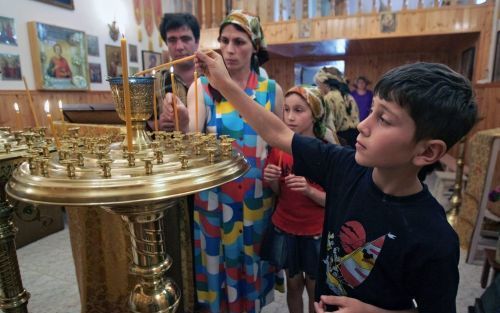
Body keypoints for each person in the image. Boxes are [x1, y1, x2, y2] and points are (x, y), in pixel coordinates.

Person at [194, 51, 478, 313]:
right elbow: (277, 133)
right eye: (372, 112)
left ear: (427, 151)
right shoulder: (345, 166)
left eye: (384, 119)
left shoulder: (435, 238)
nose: (363, 126)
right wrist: (225, 83)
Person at [161, 10, 284, 313]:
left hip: (258, 199)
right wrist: (184, 119)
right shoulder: (202, 88)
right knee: (220, 275)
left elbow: (282, 144)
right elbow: (190, 138)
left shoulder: (271, 91)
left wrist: (279, 175)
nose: (229, 49)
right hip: (215, 203)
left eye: (239, 42)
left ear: (255, 46)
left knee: (251, 269)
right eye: (225, 40)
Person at [261, 86, 330, 313]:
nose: (290, 117)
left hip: (315, 231)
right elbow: (279, 193)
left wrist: (309, 191)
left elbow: (335, 201)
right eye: (286, 109)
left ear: (315, 114)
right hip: (286, 227)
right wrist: (272, 180)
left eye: (299, 110)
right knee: (293, 285)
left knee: (314, 288)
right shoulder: (280, 148)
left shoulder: (326, 152)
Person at [315, 66, 359, 148]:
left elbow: (328, 124)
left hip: (341, 138)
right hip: (355, 136)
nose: (318, 87)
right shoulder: (348, 96)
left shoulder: (329, 97)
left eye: (318, 84)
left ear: (325, 83)